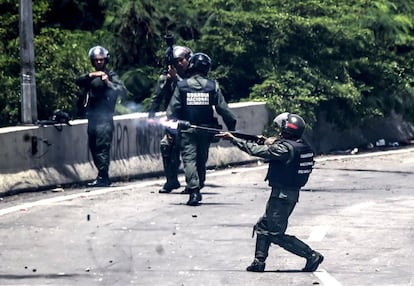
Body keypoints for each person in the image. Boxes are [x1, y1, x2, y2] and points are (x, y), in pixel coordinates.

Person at [216, 112, 324, 272]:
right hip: (286, 194)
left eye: (282, 129)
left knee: (275, 234)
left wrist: (234, 139)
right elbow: (278, 144)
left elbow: (257, 151)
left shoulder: (284, 150)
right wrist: (266, 140)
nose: (279, 132)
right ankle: (258, 262)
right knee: (263, 225)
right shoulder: (301, 145)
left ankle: (311, 255)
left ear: (287, 131)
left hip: (282, 196)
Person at [167, 52, 237, 206]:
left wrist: (170, 131)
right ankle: (199, 185)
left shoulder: (182, 85)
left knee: (189, 160)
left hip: (186, 129)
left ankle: (194, 191)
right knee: (201, 159)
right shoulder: (212, 86)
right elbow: (224, 110)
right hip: (206, 130)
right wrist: (231, 128)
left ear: (191, 65)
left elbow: (172, 111)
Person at [75, 46, 127, 187]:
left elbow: (121, 90)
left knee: (102, 147)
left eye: (101, 60)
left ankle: (103, 177)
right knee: (93, 147)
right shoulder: (92, 76)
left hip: (105, 118)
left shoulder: (110, 74)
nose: (99, 62)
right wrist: (91, 75)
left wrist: (107, 82)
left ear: (105, 60)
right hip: (92, 117)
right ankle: (102, 175)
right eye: (96, 60)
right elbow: (78, 81)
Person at [148, 46, 193, 194]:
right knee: (167, 147)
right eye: (176, 61)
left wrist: (176, 78)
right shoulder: (166, 78)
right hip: (172, 120)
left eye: (181, 60)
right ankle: (171, 180)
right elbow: (157, 97)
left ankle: (192, 184)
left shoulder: (193, 76)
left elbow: (188, 92)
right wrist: (151, 116)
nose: (179, 64)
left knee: (189, 153)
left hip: (189, 120)